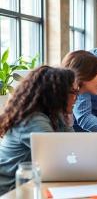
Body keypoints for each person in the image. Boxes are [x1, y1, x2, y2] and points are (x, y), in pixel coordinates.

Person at [0, 66, 77, 195]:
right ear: (56, 94)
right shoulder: (32, 120)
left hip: (29, 184)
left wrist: (66, 113)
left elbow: (73, 145)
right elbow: (57, 159)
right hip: (11, 190)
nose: (76, 97)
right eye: (73, 92)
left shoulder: (53, 115)